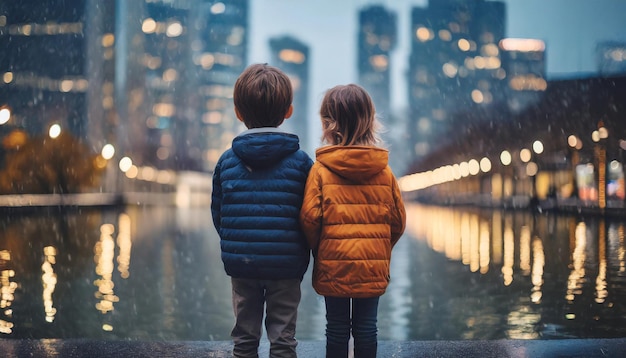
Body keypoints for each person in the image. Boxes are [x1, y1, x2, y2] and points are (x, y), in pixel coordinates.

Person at [211, 63, 313, 358]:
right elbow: (310, 215)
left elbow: (219, 214)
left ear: (238, 112)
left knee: (244, 338)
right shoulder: (303, 163)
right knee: (283, 339)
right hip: (286, 264)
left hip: (242, 263)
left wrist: (241, 241)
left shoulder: (227, 162)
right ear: (289, 111)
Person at [299, 84, 406, 358]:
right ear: (370, 122)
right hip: (372, 262)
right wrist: (379, 246)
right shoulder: (385, 173)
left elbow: (310, 218)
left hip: (334, 262)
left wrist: (321, 249)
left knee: (336, 329)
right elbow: (398, 221)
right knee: (367, 328)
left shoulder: (320, 171)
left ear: (327, 124)